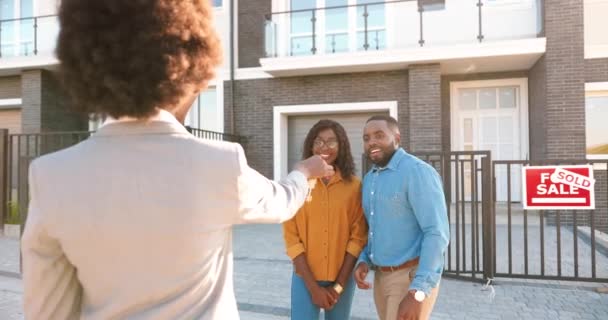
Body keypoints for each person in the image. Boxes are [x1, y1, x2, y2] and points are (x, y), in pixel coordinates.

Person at [21, 1, 334, 319]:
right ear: (187, 69)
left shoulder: (51, 176)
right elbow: (281, 202)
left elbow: (47, 311)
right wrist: (304, 170)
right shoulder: (220, 163)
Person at [353, 115, 449, 320]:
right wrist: (364, 260)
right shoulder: (370, 178)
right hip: (381, 278)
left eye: (379, 135)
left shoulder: (418, 172)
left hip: (409, 279)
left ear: (397, 138)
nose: (372, 142)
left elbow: (436, 233)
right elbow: (374, 228)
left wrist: (418, 292)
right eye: (366, 138)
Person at [282, 120, 368, 320]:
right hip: (305, 278)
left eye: (331, 142)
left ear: (342, 146)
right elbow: (292, 239)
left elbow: (357, 239)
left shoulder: (354, 187)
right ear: (311, 146)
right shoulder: (298, 183)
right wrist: (313, 289)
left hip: (343, 279)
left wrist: (338, 286)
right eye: (318, 141)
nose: (324, 147)